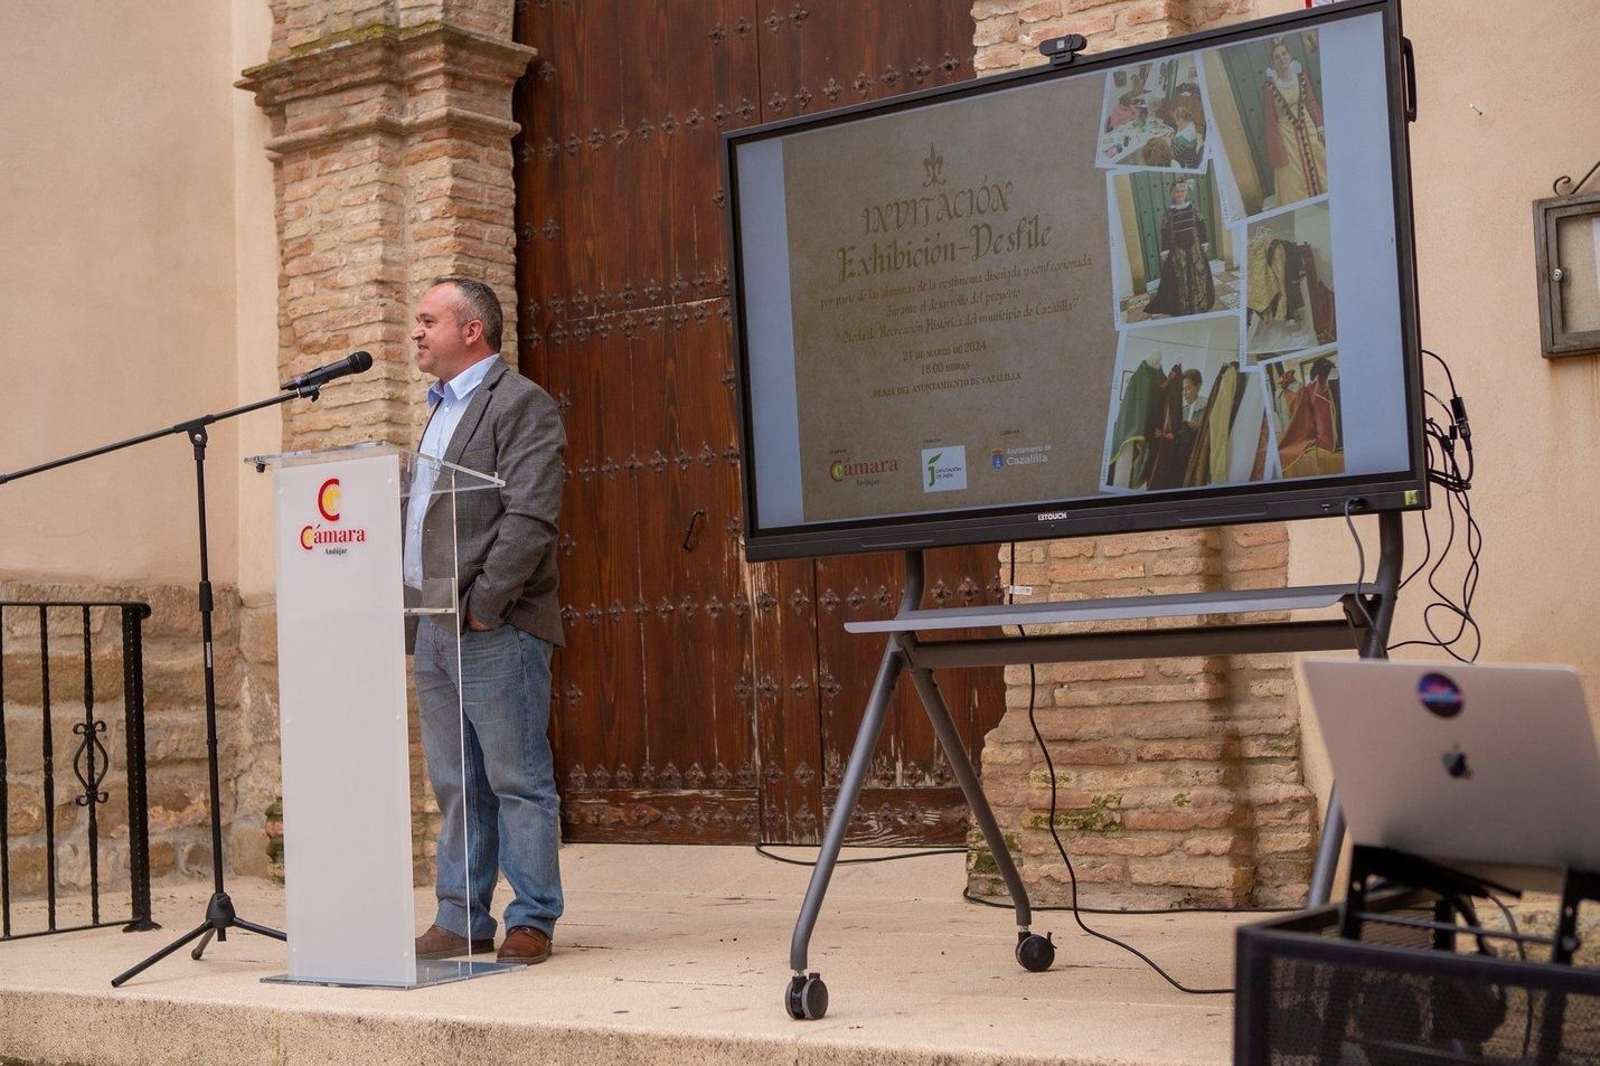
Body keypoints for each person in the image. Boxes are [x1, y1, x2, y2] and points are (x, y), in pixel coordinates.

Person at [406, 275, 567, 966]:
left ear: (472, 329)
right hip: (432, 623)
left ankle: (530, 918)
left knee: (516, 778)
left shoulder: (520, 403)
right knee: (455, 781)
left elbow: (530, 515)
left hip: (490, 624)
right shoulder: (436, 409)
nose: (416, 332)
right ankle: (460, 917)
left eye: (427, 320)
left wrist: (484, 605)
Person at [1260, 38, 1328, 206]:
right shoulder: (1270, 88)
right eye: (1277, 56)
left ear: (1289, 56)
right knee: (1293, 172)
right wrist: (1276, 147)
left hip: (1308, 127)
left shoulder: (1302, 77)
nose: (1282, 58)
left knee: (1320, 161)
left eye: (1284, 54)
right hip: (1286, 134)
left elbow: (1311, 102)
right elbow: (1270, 118)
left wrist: (1320, 126)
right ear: (1273, 62)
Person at [1143, 180, 1215, 318]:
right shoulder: (1169, 213)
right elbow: (1165, 232)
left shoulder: (1193, 209)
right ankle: (1184, 305)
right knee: (1181, 277)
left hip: (1194, 249)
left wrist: (1204, 242)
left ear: (1185, 193)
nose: (1180, 194)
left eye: (1182, 191)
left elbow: (1201, 224)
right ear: (1172, 194)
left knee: (1197, 275)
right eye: (1177, 192)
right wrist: (1165, 251)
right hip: (1178, 252)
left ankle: (1199, 304)